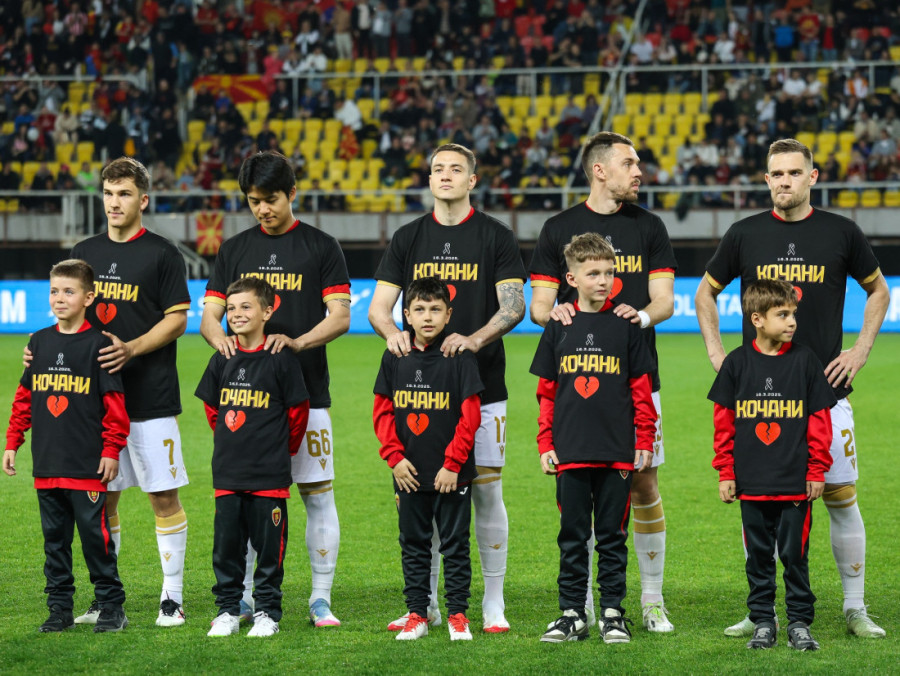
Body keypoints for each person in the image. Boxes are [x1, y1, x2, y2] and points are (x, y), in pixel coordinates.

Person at [695, 138, 889, 639]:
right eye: (776, 174)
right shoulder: (744, 233)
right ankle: (762, 611)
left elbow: (879, 290)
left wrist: (860, 350)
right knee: (757, 504)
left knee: (840, 495)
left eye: (794, 173)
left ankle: (855, 607)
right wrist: (717, 354)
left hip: (825, 392)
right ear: (767, 180)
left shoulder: (841, 232)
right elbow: (705, 293)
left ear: (813, 177)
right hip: (758, 398)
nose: (784, 181)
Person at [368, 143, 526, 633]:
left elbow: (514, 306)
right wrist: (392, 334)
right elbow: (379, 308)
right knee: (419, 491)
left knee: (485, 492)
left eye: (456, 169)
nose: (445, 175)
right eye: (438, 168)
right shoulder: (408, 236)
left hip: (483, 388)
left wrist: (473, 340)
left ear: (472, 180)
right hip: (419, 390)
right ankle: (427, 604)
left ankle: (492, 602)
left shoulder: (495, 235)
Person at [33, 157, 191, 627]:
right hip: (95, 404)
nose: (114, 202)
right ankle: (107, 599)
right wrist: (40, 353)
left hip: (151, 398)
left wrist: (131, 349)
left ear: (143, 200)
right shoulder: (85, 251)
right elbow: (70, 315)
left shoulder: (163, 253)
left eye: (124, 194)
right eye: (108, 193)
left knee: (163, 498)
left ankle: (172, 598)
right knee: (101, 501)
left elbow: (177, 319)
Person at [528, 131, 677, 632]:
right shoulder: (558, 228)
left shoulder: (649, 226)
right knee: (578, 496)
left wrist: (638, 317)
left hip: (633, 374)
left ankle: (650, 598)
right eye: (629, 163)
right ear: (599, 170)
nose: (639, 171)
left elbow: (664, 300)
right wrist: (558, 313)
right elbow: (541, 305)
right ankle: (582, 604)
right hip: (576, 376)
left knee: (643, 480)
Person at [200, 150, 351, 628]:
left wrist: (296, 343)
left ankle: (320, 597)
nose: (263, 209)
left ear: (292, 194)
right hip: (246, 401)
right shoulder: (233, 248)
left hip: (307, 395)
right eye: (254, 201)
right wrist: (219, 340)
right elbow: (209, 316)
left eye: (271, 199)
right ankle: (245, 597)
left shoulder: (321, 246)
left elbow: (340, 316)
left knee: (317, 495)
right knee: (247, 500)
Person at [530, 233, 656, 644]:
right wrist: (545, 443)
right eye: (593, 273)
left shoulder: (626, 325)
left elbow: (641, 390)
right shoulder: (558, 326)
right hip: (570, 450)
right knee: (572, 536)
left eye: (609, 273)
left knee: (612, 537)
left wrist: (644, 439)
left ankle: (613, 614)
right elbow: (547, 393)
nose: (603, 281)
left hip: (617, 451)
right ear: (572, 278)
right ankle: (572, 613)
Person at [707, 279, 835, 651]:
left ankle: (799, 623)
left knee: (795, 555)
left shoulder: (806, 360)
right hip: (751, 483)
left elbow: (820, 421)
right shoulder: (736, 363)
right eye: (783, 314)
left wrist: (816, 469)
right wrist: (726, 471)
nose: (792, 321)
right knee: (759, 557)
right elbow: (723, 423)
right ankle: (763, 620)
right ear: (757, 319)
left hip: (795, 482)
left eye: (793, 314)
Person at [5, 259, 129, 633]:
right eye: (54, 291)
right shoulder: (38, 342)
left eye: (69, 291)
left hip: (87, 465)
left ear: (89, 297)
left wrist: (110, 450)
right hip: (47, 464)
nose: (59, 298)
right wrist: (12, 441)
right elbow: (24, 398)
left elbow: (115, 407)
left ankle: (111, 606)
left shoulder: (101, 346)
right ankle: (59, 609)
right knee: (54, 544)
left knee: (95, 541)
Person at [195, 277, 310, 638]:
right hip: (228, 472)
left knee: (269, 550)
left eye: (246, 306)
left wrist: (280, 449)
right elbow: (213, 409)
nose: (237, 314)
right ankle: (228, 610)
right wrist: (232, 441)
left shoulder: (281, 359)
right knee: (226, 548)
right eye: (231, 308)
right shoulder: (222, 358)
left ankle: (267, 612)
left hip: (269, 474)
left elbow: (298, 413)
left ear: (267, 312)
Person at [373, 277, 483, 641]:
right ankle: (418, 614)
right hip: (408, 472)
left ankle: (458, 615)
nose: (428, 317)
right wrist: (394, 458)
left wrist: (452, 464)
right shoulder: (395, 357)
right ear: (406, 314)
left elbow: (470, 416)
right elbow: (382, 411)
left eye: (436, 309)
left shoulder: (460, 357)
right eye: (419, 309)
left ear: (448, 314)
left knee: (455, 545)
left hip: (452, 474)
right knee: (414, 545)